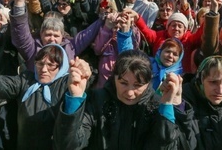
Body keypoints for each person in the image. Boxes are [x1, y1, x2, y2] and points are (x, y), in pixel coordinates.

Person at [0, 42, 89, 150]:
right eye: (40, 64)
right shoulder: (26, 80)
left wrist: (81, 74)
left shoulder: (67, 84)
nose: (43, 70)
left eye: (51, 65)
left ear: (61, 67)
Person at [53, 50, 186, 149]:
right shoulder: (97, 100)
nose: (129, 92)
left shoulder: (156, 106)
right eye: (123, 83)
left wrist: (168, 106)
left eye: (138, 85)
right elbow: (68, 145)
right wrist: (75, 98)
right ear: (113, 76)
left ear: (149, 81)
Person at [10, 0, 104, 71]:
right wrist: (19, 2)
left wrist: (103, 19)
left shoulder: (70, 47)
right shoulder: (32, 48)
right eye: (48, 34)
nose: (52, 39)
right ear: (41, 34)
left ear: (62, 36)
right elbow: (20, 30)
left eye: (56, 36)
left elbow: (86, 34)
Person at [117, 12, 184, 90]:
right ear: (160, 52)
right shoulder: (147, 64)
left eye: (175, 54)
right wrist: (125, 31)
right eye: (167, 51)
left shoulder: (178, 78)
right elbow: (128, 56)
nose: (170, 56)